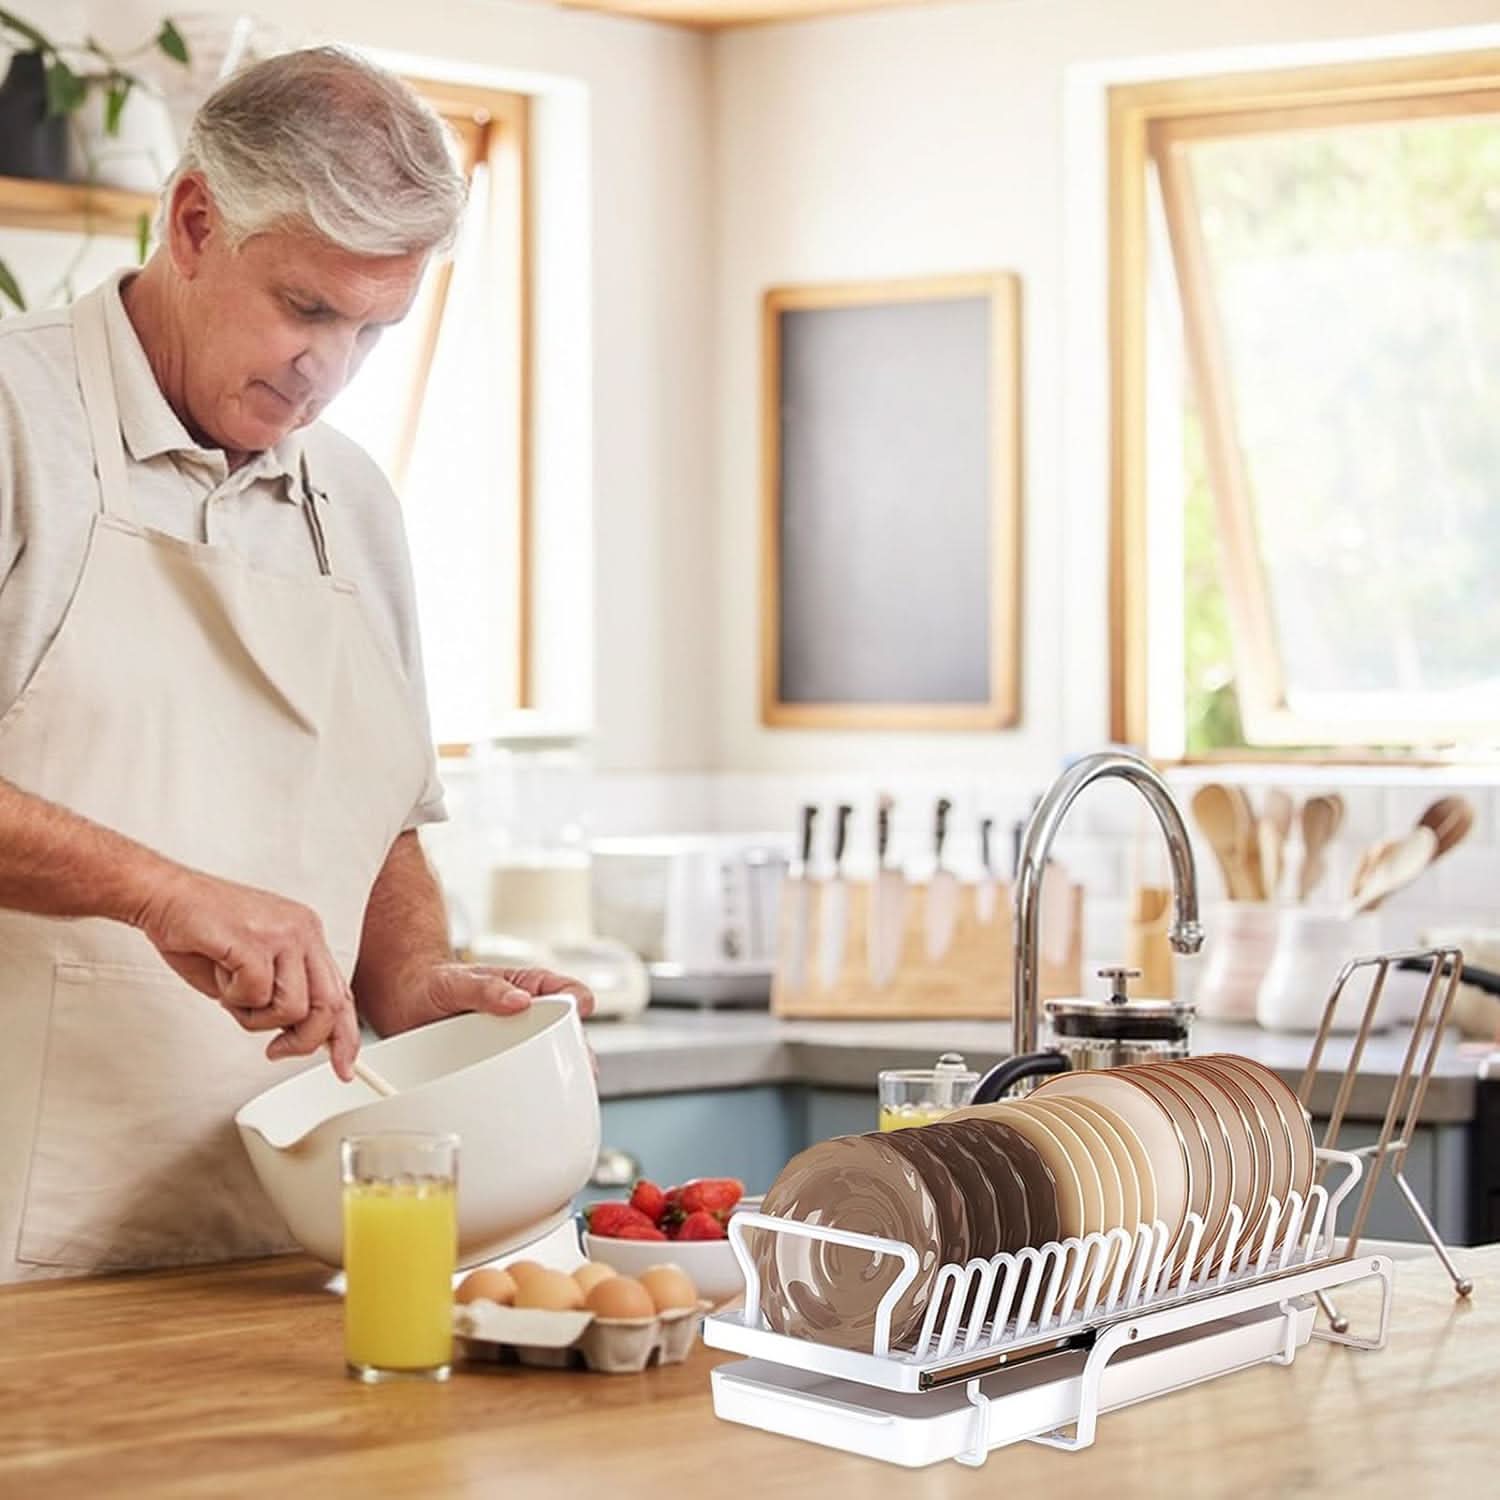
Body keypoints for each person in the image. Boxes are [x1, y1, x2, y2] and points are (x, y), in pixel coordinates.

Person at [0, 47, 591, 1282]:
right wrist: (162, 890)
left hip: (284, 1242)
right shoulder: (18, 420)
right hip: (26, 1249)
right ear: (197, 219)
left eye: (376, 331)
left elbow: (380, 821)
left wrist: (415, 973)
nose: (330, 372)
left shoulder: (354, 503)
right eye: (308, 309)